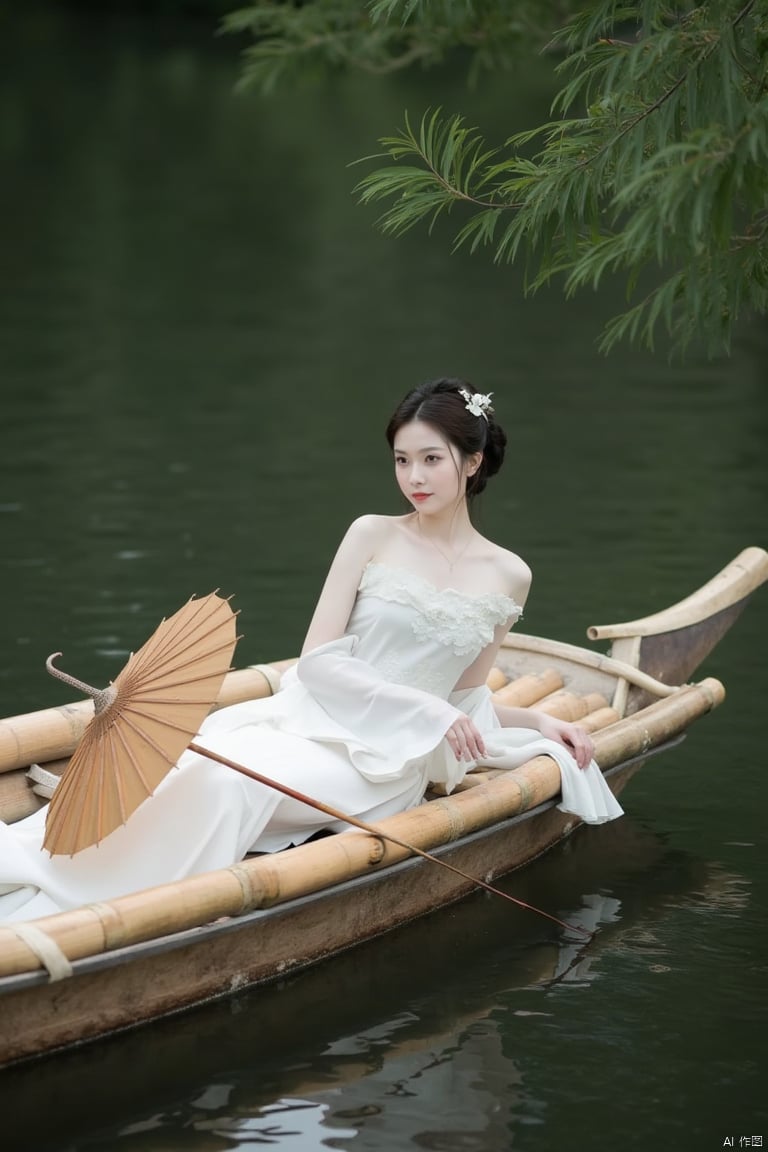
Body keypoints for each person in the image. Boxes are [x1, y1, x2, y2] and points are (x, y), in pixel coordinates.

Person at [0, 378, 622, 923]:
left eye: (432, 459)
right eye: (402, 459)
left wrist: (538, 721)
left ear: (472, 461)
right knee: (201, 762)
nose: (414, 477)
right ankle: (48, 864)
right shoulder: (371, 534)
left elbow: (464, 699)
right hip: (307, 717)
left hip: (381, 760)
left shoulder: (510, 574)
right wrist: (433, 711)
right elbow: (318, 661)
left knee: (232, 788)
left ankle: (110, 904)